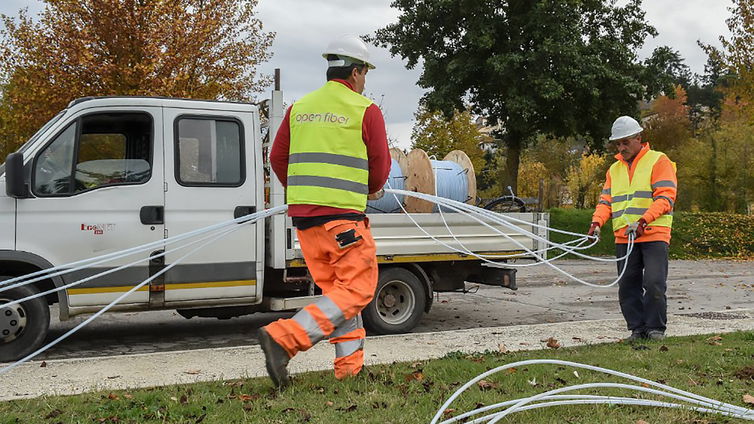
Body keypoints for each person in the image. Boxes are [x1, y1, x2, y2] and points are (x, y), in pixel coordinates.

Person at [259, 34, 391, 388]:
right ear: (357, 71)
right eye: (366, 73)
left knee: (339, 297)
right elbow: (380, 166)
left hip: (306, 223)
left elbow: (276, 158)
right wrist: (371, 187)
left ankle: (349, 372)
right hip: (343, 222)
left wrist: (305, 191)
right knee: (360, 290)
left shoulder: (299, 108)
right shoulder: (365, 110)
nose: (365, 81)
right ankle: (285, 338)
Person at [588, 116, 677, 342]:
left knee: (654, 283)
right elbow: (606, 201)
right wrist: (597, 222)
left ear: (639, 138)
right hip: (624, 238)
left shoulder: (659, 161)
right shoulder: (614, 169)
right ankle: (637, 329)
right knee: (628, 286)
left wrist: (644, 221)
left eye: (625, 142)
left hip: (653, 233)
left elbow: (666, 197)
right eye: (617, 143)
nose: (621, 147)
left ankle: (655, 329)